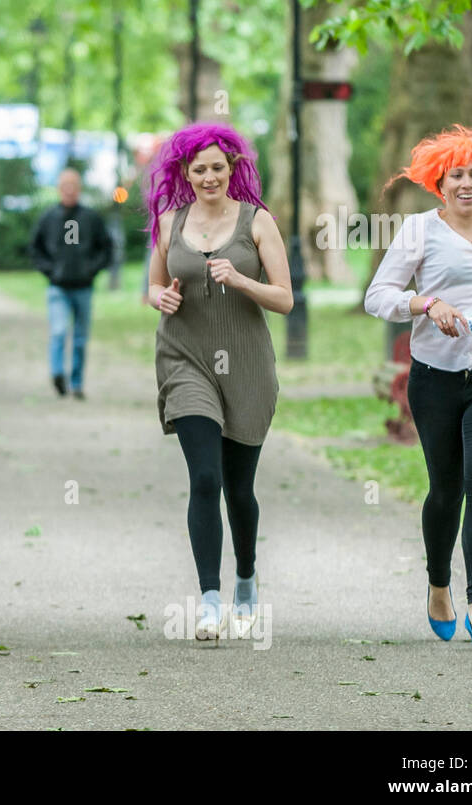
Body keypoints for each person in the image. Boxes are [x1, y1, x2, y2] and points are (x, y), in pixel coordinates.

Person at [364, 125, 472, 649]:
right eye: (455, 175)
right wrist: (426, 303)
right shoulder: (420, 230)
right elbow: (380, 295)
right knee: (446, 489)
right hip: (435, 378)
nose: (466, 183)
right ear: (438, 183)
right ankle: (439, 585)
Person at [144, 123, 293, 642]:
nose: (208, 176)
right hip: (186, 359)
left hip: (247, 363)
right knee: (204, 479)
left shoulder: (257, 222)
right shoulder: (169, 221)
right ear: (185, 173)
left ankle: (246, 579)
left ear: (233, 169)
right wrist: (158, 297)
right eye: (198, 168)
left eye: (217, 167)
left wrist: (242, 280)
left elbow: (285, 298)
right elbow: (155, 285)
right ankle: (209, 599)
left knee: (239, 489)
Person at [29, 168, 113, 399]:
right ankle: (57, 374)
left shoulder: (91, 217)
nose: (69, 190)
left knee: (80, 339)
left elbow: (106, 248)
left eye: (73, 185)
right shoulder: (48, 217)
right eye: (64, 185)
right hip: (58, 287)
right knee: (58, 331)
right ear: (58, 188)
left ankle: (76, 383)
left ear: (79, 188)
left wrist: (92, 270)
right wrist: (50, 271)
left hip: (84, 287)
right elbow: (35, 249)